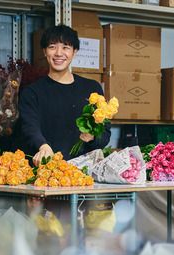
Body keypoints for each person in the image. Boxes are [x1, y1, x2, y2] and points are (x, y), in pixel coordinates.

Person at [18, 24, 111, 165]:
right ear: (44, 51)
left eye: (65, 47)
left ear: (75, 52)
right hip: (45, 171)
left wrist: (93, 137)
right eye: (52, 47)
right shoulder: (32, 92)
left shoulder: (92, 88)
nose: (58, 53)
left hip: (82, 175)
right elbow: (29, 127)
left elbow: (105, 133)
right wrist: (43, 146)